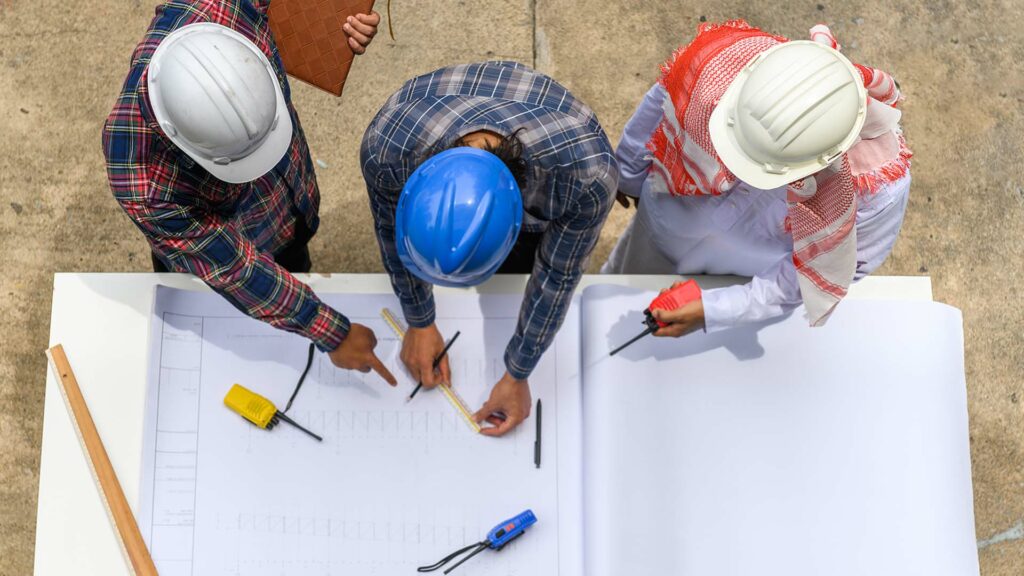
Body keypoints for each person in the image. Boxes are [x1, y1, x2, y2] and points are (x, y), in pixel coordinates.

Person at [103, 0, 396, 384]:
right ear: (180, 141)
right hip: (240, 243)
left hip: (287, 205)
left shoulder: (225, 6)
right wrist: (329, 330)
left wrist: (336, 21)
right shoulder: (141, 179)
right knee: (214, 320)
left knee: (296, 258)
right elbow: (235, 268)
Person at [603, 21, 912, 337]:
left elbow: (829, 268)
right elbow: (665, 100)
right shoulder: (724, 61)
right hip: (663, 223)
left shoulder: (878, 188)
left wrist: (718, 309)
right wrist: (626, 173)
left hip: (746, 270)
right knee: (621, 284)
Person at [361, 61, 617, 436]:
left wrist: (518, 373)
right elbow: (389, 234)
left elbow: (556, 275)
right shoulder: (387, 149)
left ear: (519, 219)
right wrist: (419, 320)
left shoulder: (586, 177)